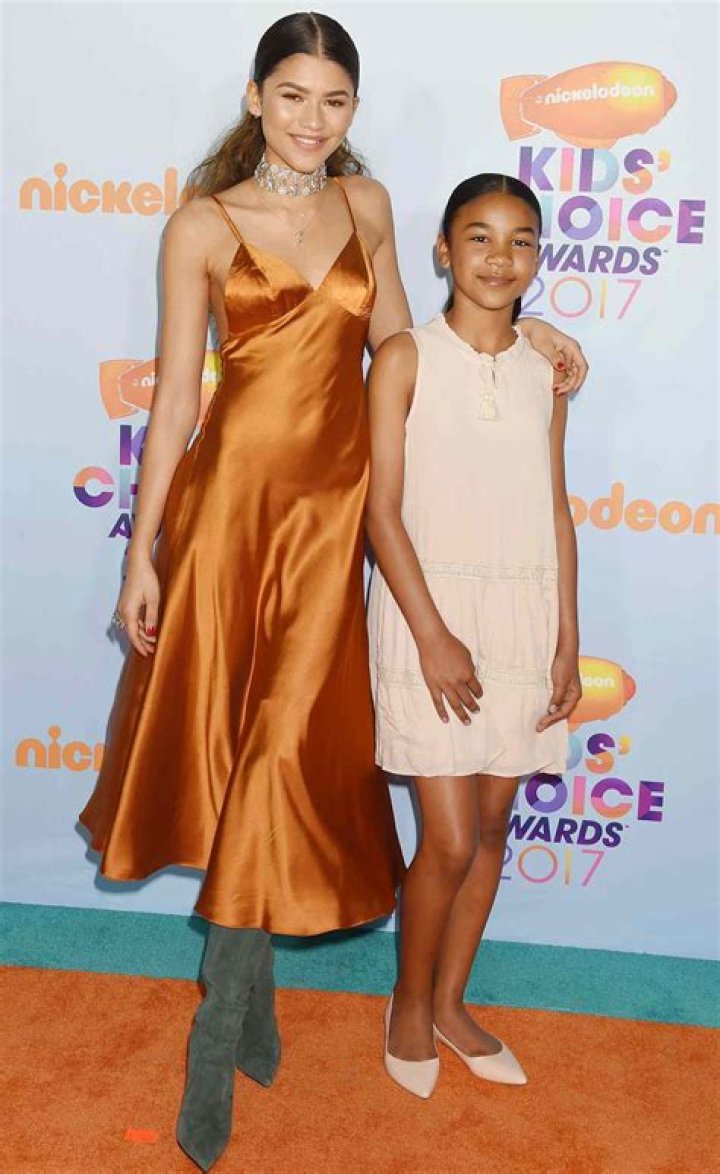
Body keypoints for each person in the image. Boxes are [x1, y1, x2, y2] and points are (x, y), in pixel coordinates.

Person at [78, 11, 586, 1168]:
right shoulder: (201, 224)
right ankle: (227, 1026)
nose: (313, 120)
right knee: (234, 751)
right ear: (256, 98)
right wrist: (141, 550)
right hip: (229, 514)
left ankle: (238, 1010)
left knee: (282, 753)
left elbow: (409, 351)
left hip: (335, 521)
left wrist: (531, 327)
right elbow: (175, 399)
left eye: (335, 100)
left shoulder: (368, 205)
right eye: (294, 95)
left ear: (354, 108)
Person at [366, 173, 582, 1099]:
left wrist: (568, 639)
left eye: (521, 240)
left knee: (493, 826)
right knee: (449, 840)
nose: (500, 258)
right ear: (444, 251)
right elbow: (380, 510)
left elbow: (555, 508)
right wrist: (433, 636)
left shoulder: (546, 371)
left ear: (538, 256)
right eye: (480, 238)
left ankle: (453, 1004)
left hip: (525, 617)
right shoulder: (404, 358)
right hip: (428, 615)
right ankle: (409, 1005)